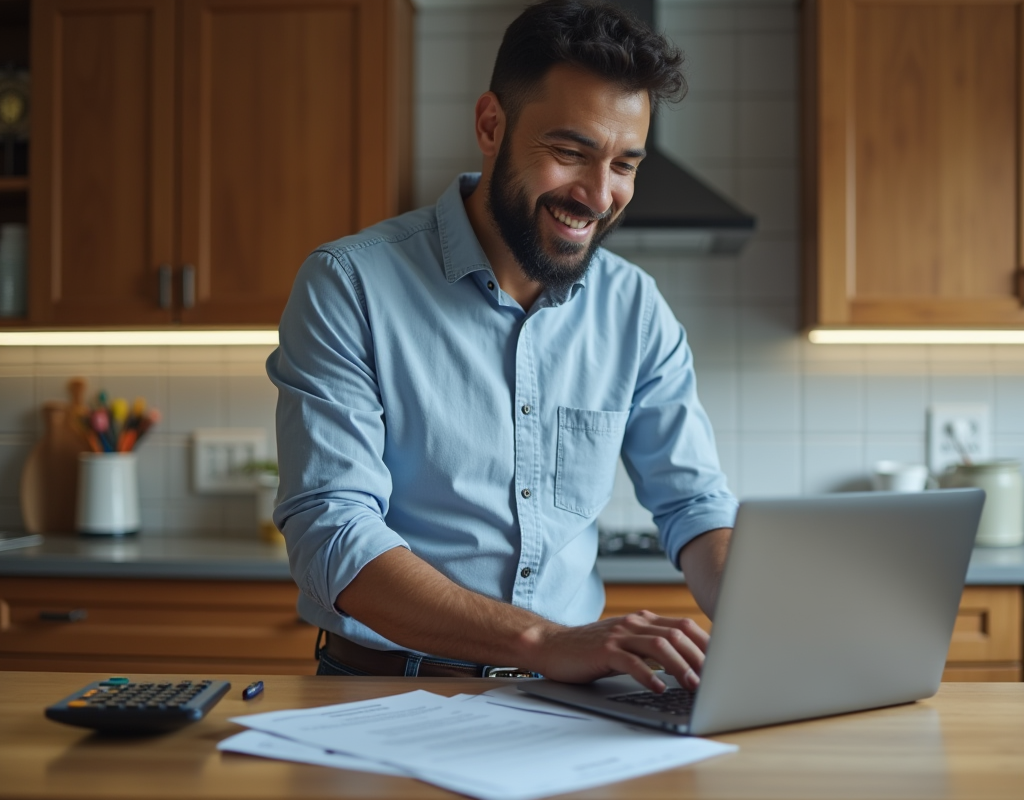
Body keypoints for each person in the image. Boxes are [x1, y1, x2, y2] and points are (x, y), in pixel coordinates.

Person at [268, 0, 737, 694]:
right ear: (492, 125)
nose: (600, 195)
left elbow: (695, 507)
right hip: (385, 689)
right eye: (571, 152)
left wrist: (768, 635)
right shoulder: (351, 284)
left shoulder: (634, 307)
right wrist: (544, 641)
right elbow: (331, 533)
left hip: (571, 698)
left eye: (625, 164)